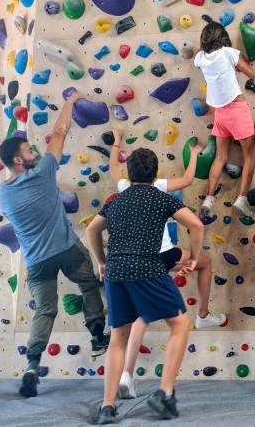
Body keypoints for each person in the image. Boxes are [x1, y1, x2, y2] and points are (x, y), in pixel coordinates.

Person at [0, 93, 110, 398]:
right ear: (18, 160)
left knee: (45, 310)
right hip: (66, 250)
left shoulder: (3, 194)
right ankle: (98, 337)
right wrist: (70, 102)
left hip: (36, 262)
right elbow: (60, 131)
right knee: (89, 286)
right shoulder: (44, 171)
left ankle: (32, 365)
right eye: (29, 149)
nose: (35, 151)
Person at [87, 147, 204, 424]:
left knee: (118, 336)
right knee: (180, 324)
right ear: (156, 174)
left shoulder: (116, 201)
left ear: (129, 174)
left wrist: (102, 262)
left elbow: (92, 230)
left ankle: (107, 407)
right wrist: (195, 257)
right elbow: (196, 226)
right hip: (147, 268)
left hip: (116, 271)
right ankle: (165, 393)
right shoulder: (161, 198)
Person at [108, 128, 226, 400]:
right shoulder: (157, 187)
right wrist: (195, 154)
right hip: (160, 254)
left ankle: (127, 373)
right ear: (153, 173)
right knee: (204, 263)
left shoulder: (123, 188)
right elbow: (187, 179)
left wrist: (116, 139)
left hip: (126, 261)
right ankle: (204, 315)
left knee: (136, 317)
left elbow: (113, 166)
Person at [194, 21, 255, 218]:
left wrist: (204, 45)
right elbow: (252, 74)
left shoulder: (201, 58)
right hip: (237, 110)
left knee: (220, 157)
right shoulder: (228, 52)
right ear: (223, 38)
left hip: (220, 113)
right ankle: (242, 198)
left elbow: (197, 52)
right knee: (249, 156)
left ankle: (209, 198)